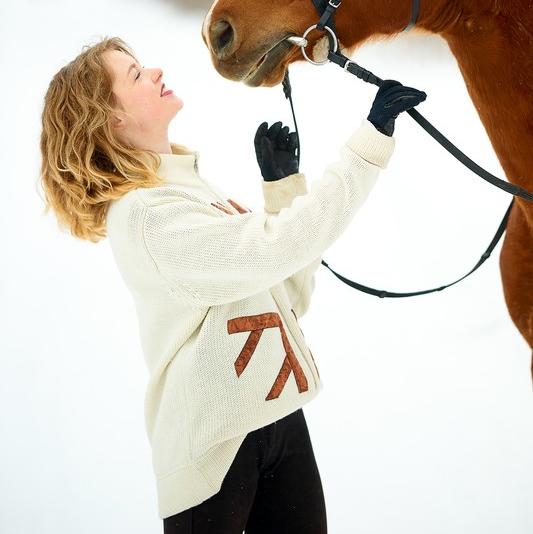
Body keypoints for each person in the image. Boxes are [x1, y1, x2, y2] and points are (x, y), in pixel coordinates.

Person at [40, 36, 426, 533]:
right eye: (135, 75)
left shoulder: (190, 189)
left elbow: (286, 296)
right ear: (110, 118)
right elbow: (275, 246)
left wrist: (283, 187)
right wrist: (369, 143)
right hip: (213, 446)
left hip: (279, 414)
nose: (155, 72)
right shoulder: (142, 215)